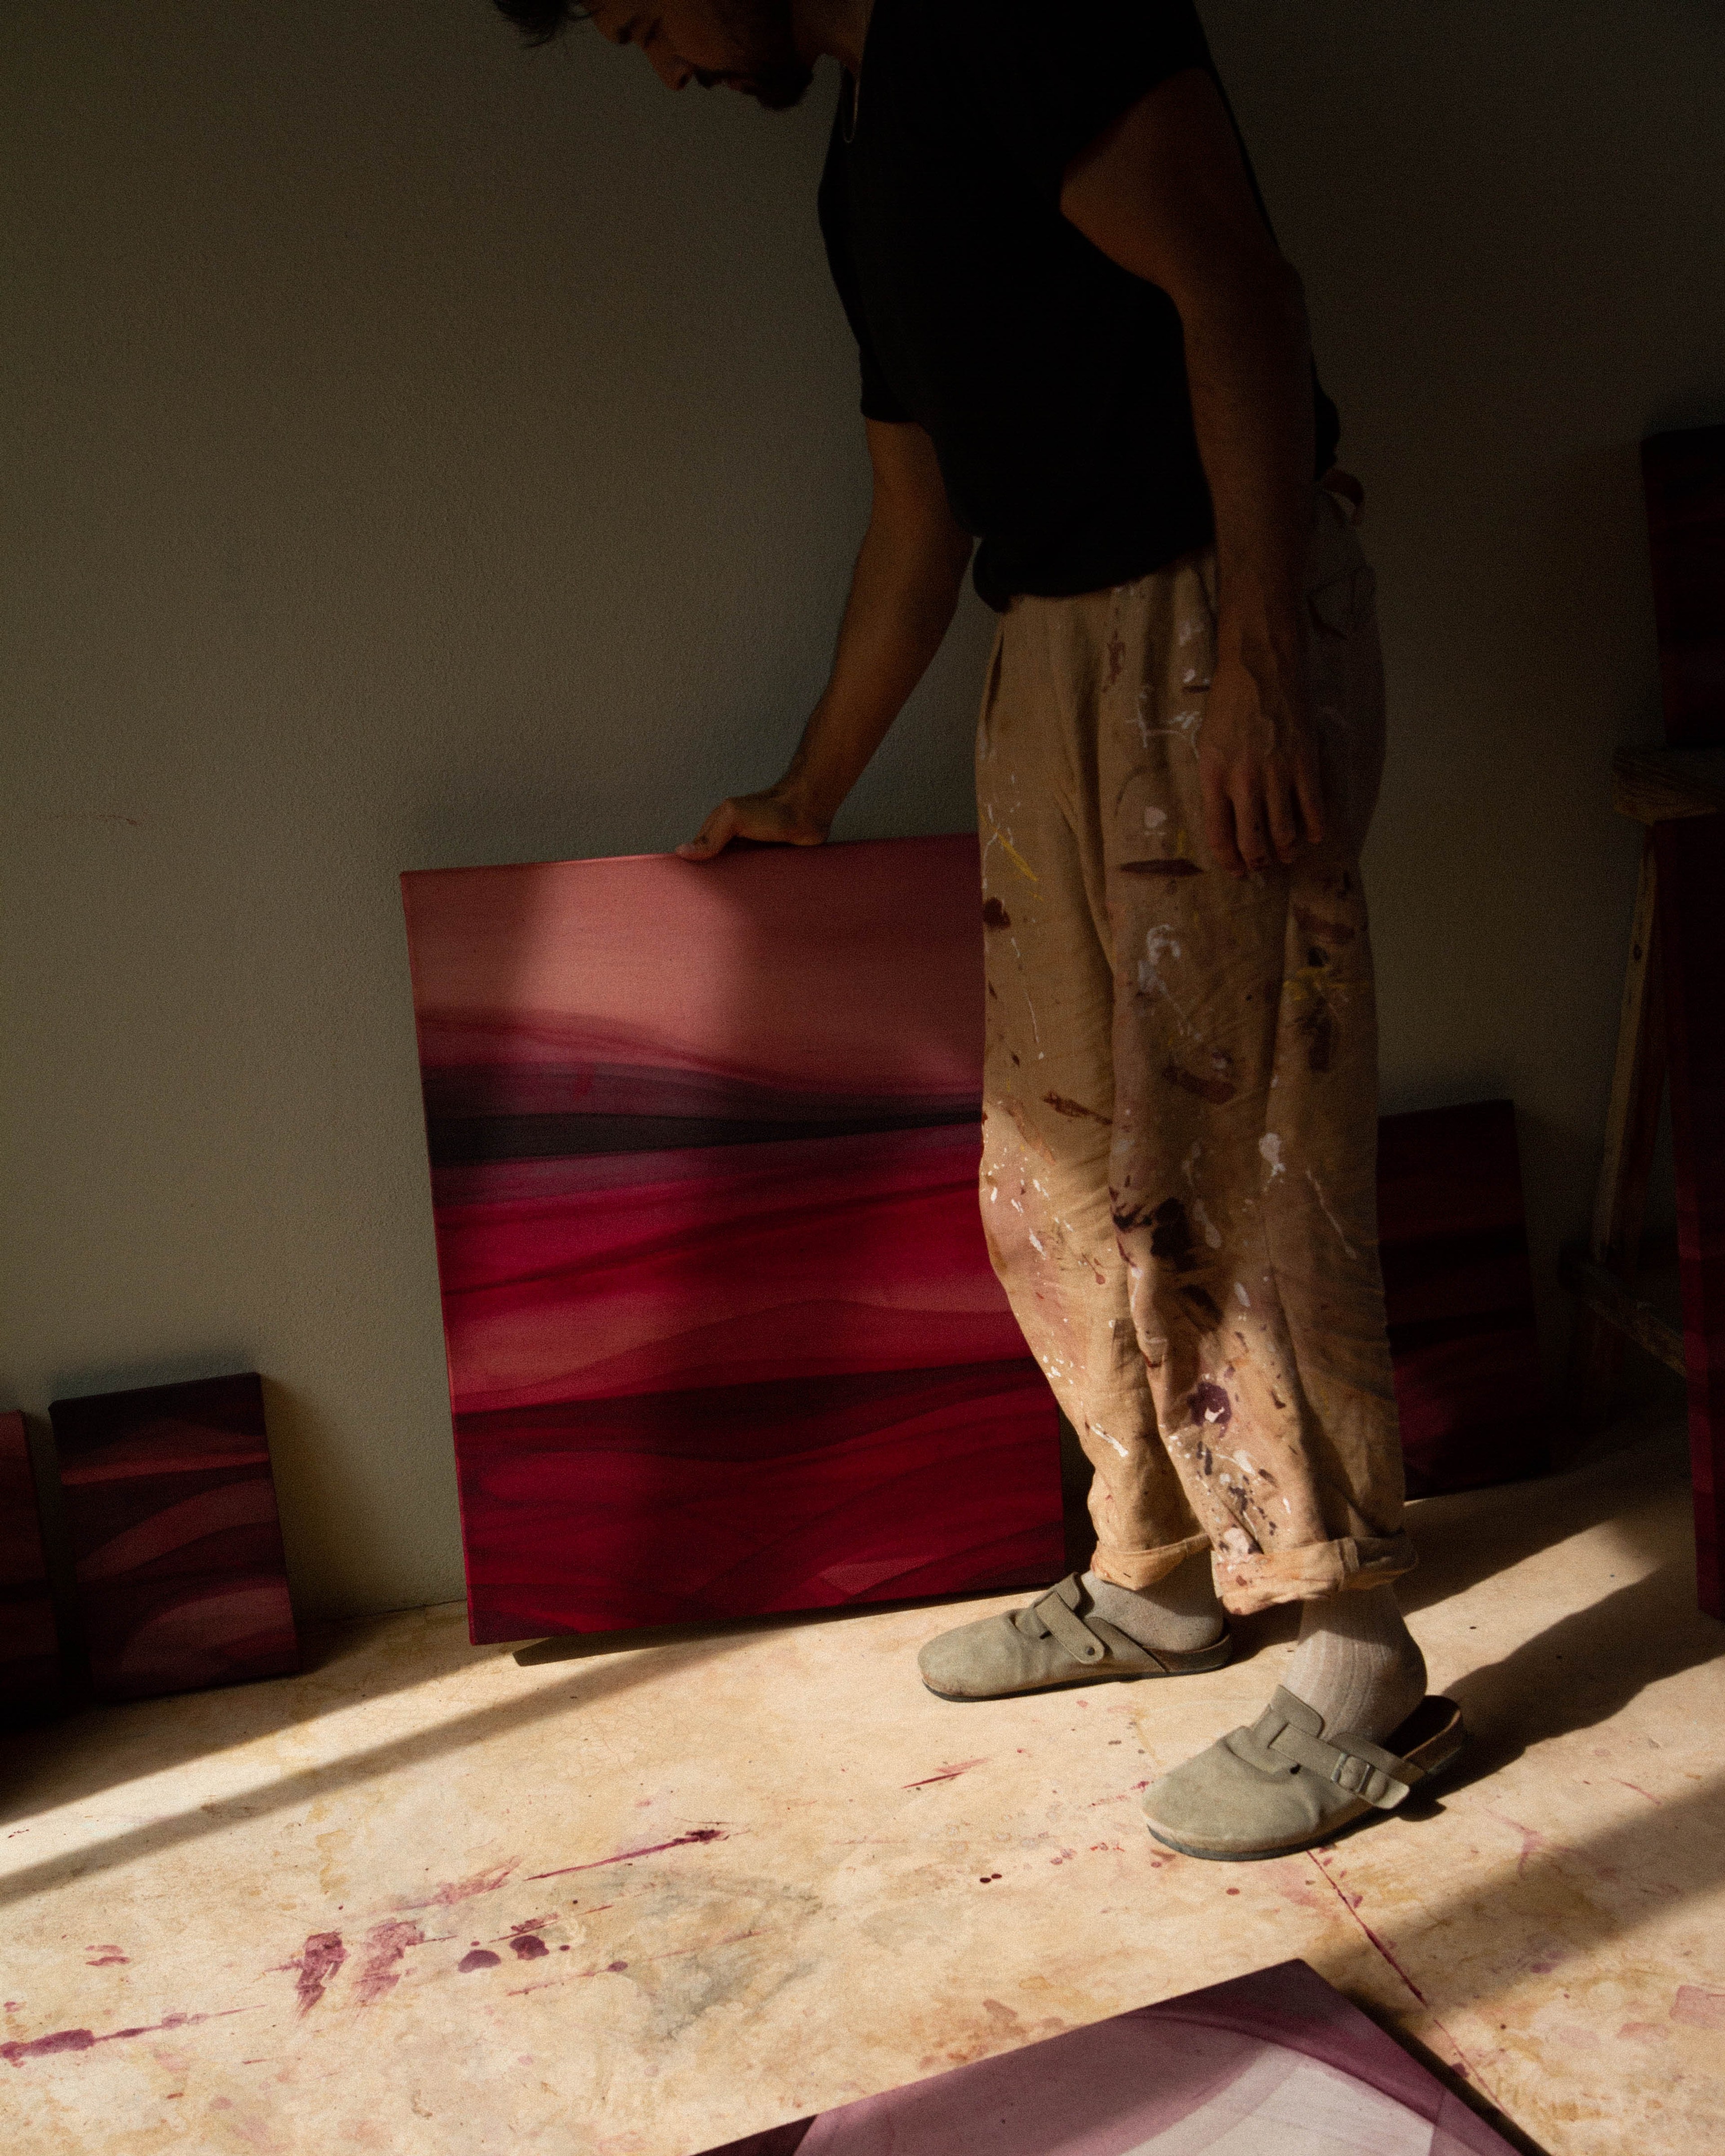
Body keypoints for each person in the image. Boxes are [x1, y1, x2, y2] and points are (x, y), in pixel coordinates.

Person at [493, 0, 1466, 1860]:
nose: (669, 71)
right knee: (1055, 1166)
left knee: (1238, 1159)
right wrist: (812, 785)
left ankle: (1358, 1658)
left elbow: (1242, 294)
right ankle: (1164, 1573)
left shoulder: (1009, 6)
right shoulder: (867, 151)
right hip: (1056, 649)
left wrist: (1264, 664)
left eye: (640, 19)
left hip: (1212, 620)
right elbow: (915, 503)